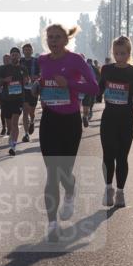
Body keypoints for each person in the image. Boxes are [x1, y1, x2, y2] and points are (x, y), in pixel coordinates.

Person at [37, 24, 99, 241]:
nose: (53, 40)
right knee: (52, 173)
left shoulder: (76, 60)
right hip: (49, 120)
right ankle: (52, 224)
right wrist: (39, 86)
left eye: (58, 37)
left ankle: (71, 191)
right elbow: (43, 82)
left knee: (64, 172)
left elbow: (94, 87)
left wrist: (70, 83)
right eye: (50, 37)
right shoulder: (42, 60)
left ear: (66, 40)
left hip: (70, 122)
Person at [99, 36, 133, 208]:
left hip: (127, 120)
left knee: (122, 157)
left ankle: (120, 191)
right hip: (108, 119)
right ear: (113, 53)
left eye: (123, 53)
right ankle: (108, 188)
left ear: (129, 53)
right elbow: (98, 93)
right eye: (117, 53)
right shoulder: (106, 70)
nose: (119, 57)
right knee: (107, 156)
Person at [0, 46, 27, 156]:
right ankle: (11, 139)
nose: (15, 56)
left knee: (15, 123)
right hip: (6, 100)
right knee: (10, 127)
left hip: (18, 99)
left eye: (16, 54)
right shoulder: (3, 69)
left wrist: (26, 81)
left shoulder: (23, 69)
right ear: (10, 56)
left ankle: (13, 146)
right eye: (13, 55)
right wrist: (4, 80)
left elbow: (26, 82)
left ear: (19, 56)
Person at [20, 42, 40, 142]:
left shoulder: (36, 61)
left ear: (32, 51)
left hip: (33, 89)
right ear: (23, 51)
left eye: (29, 49)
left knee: (31, 111)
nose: (27, 51)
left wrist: (36, 77)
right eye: (25, 50)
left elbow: (41, 73)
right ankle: (26, 134)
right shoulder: (20, 61)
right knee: (25, 111)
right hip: (23, 90)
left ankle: (32, 121)